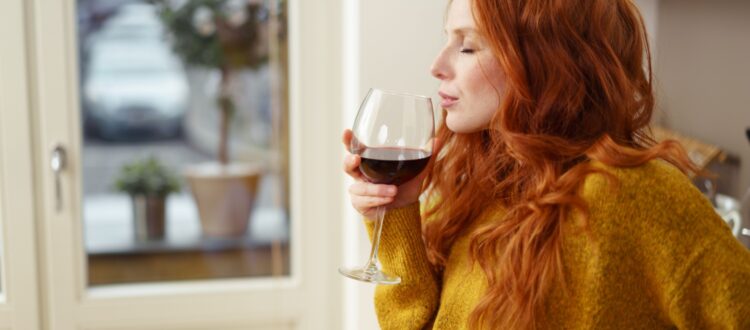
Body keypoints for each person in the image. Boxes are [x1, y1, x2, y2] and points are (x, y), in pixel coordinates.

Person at [342, 0, 750, 329]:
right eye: (448, 39)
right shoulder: (475, 192)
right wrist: (396, 214)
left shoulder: (632, 196)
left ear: (543, 62)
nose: (437, 65)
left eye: (467, 46)